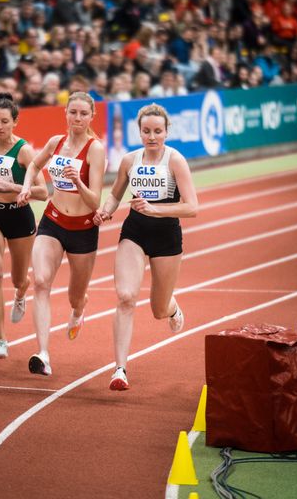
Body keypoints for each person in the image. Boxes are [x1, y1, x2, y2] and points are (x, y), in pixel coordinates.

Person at [94, 103, 198, 391]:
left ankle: (173, 308)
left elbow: (192, 207)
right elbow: (115, 196)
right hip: (135, 232)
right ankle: (120, 369)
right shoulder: (130, 160)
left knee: (158, 309)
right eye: (146, 131)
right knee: (126, 296)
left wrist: (155, 210)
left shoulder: (175, 161)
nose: (152, 136)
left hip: (166, 237)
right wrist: (105, 210)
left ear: (166, 132)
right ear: (139, 132)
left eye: (157, 131)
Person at [17, 92, 105, 376]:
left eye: (83, 113)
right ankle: (43, 353)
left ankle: (80, 309)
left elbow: (94, 202)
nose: (77, 118)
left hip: (83, 230)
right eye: (73, 112)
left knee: (74, 297)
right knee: (41, 282)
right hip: (53, 222)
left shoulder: (95, 149)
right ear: (65, 114)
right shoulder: (56, 143)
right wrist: (26, 186)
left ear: (92, 116)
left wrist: (78, 181)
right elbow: (33, 164)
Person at [0, 92, 48, 359]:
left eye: (5, 121)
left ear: (15, 121)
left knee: (19, 278)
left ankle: (20, 293)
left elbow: (42, 192)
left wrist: (14, 187)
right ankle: (0, 340)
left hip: (19, 217)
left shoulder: (25, 151)